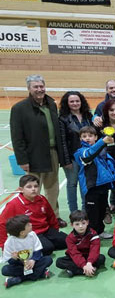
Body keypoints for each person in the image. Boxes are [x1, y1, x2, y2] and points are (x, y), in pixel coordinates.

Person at [10, 74, 68, 226]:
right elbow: (17, 137)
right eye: (35, 87)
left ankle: (53, 217)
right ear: (29, 89)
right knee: (32, 189)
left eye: (41, 86)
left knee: (52, 188)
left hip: (52, 153)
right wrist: (22, 160)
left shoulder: (51, 104)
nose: (39, 89)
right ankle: (33, 218)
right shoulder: (19, 109)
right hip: (33, 155)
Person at [75, 126, 115, 239]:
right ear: (80, 138)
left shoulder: (101, 150)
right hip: (91, 187)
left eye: (90, 136)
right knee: (92, 213)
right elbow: (88, 155)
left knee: (102, 210)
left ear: (95, 137)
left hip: (103, 186)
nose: (87, 138)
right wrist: (103, 141)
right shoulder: (80, 152)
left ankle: (100, 231)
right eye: (84, 136)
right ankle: (90, 234)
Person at [0, 175, 67, 255]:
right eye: (29, 187)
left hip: (46, 230)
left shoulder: (42, 199)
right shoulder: (13, 204)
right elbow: (2, 224)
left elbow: (51, 216)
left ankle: (45, 244)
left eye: (36, 186)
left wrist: (55, 231)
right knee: (48, 248)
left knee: (67, 241)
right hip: (29, 234)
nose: (33, 189)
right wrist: (4, 245)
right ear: (21, 189)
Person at [58, 91, 92, 212]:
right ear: (67, 103)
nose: (75, 103)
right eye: (71, 101)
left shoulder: (88, 116)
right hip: (72, 158)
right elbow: (62, 141)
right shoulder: (63, 119)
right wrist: (66, 161)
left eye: (77, 101)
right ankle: (74, 211)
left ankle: (85, 211)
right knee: (72, 184)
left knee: (84, 185)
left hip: (87, 157)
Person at [2, 215, 53, 288]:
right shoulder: (9, 242)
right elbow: (9, 260)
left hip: (33, 262)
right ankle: (37, 274)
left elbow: (37, 250)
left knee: (48, 259)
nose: (31, 224)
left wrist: (33, 260)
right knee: (5, 270)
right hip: (20, 265)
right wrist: (14, 259)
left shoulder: (32, 235)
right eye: (28, 225)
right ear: (22, 232)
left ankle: (20, 278)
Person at [55, 210, 106, 277]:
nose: (81, 226)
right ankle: (90, 270)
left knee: (101, 258)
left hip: (88, 256)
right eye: (77, 224)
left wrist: (89, 263)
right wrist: (84, 265)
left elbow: (94, 250)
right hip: (75, 258)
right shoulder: (69, 238)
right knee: (59, 262)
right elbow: (75, 253)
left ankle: (75, 271)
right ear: (72, 225)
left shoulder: (93, 234)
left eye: (83, 223)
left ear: (87, 222)